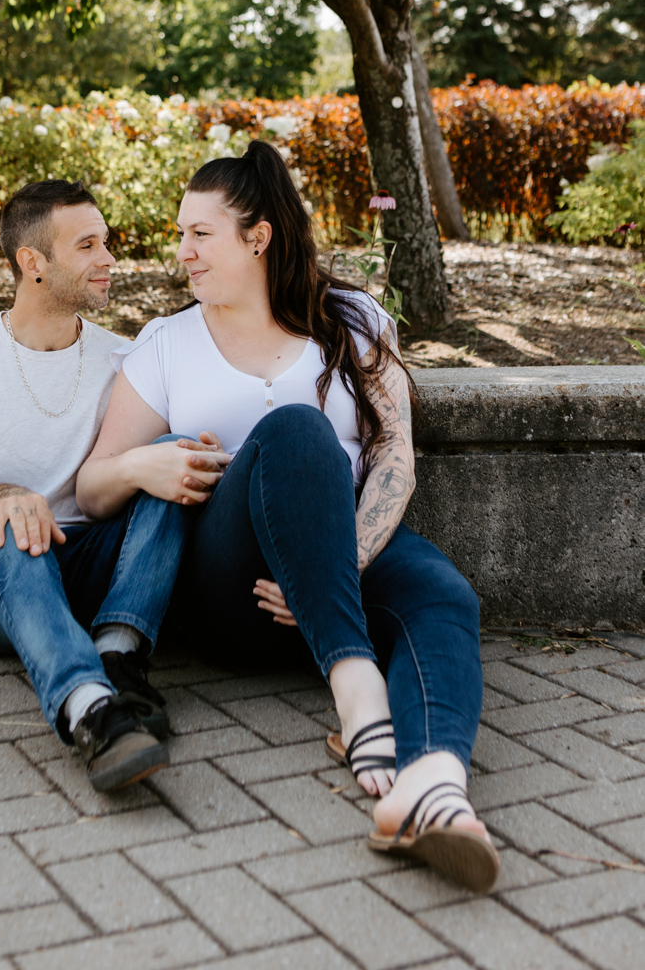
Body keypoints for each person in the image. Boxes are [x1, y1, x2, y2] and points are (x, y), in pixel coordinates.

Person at [77, 141, 498, 891]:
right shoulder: (167, 344)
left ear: (258, 237)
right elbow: (93, 489)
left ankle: (431, 787)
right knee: (296, 432)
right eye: (181, 236)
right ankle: (357, 693)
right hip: (228, 584)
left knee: (443, 594)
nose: (183, 253)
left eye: (198, 235)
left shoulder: (352, 318)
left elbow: (394, 453)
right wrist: (145, 465)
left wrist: (338, 570)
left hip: (339, 559)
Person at [0, 178, 211, 792]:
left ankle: (118, 655)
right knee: (14, 528)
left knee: (165, 455)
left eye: (106, 242)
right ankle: (92, 713)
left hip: (88, 564)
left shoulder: (123, 358)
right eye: (88, 246)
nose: (109, 259)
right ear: (34, 264)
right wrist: (2, 496)